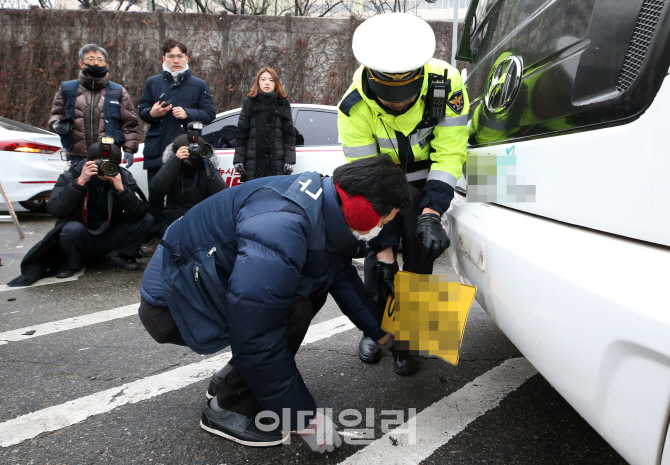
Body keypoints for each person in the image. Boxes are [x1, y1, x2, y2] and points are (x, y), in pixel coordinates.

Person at [138, 156, 411, 452]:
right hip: (173, 304)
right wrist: (304, 418)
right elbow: (256, 332)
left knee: (311, 287)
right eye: (387, 218)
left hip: (205, 281)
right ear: (361, 207)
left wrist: (382, 332)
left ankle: (233, 377)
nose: (385, 226)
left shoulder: (323, 199)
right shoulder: (282, 224)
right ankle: (228, 407)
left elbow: (340, 276)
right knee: (293, 311)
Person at [337, 13, 469, 376]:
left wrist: (431, 214)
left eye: (406, 96)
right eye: (389, 97)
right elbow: (367, 178)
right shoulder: (352, 106)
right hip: (382, 181)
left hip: (427, 181)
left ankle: (411, 339)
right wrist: (383, 248)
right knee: (378, 262)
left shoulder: (448, 84)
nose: (398, 103)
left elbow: (451, 152)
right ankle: (375, 329)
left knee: (420, 251)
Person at [6, 143, 153, 287]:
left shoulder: (123, 177)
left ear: (118, 163)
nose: (104, 168)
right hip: (81, 235)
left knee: (147, 220)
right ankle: (72, 262)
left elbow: (139, 213)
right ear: (89, 162)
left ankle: (116, 256)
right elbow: (56, 210)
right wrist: (80, 183)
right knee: (71, 229)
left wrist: (122, 190)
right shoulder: (71, 176)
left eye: (110, 164)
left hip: (110, 234)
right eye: (100, 163)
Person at [139, 38, 216, 238]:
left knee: (184, 196)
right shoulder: (153, 82)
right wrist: (153, 112)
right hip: (157, 148)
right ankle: (156, 239)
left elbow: (209, 114)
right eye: (171, 56)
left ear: (186, 58)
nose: (176, 60)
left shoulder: (199, 85)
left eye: (180, 56)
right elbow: (142, 111)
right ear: (164, 58)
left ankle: (184, 235)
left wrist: (188, 113)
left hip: (187, 149)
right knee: (155, 196)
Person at [49, 44, 139, 167]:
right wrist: (57, 125)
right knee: (78, 185)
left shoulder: (118, 91)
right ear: (81, 63)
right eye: (90, 59)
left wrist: (129, 149)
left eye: (100, 60)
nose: (96, 63)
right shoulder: (67, 89)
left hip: (108, 154)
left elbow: (129, 123)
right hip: (77, 155)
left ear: (106, 65)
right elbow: (57, 114)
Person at [149, 133, 227, 238]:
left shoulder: (206, 168)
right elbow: (157, 188)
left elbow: (223, 194)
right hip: (175, 219)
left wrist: (205, 164)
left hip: (202, 217)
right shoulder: (173, 167)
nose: (192, 154)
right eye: (188, 151)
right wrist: (175, 161)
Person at [233, 67, 296, 181]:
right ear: (258, 82)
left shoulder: (283, 104)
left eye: (271, 80)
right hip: (254, 165)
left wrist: (289, 160)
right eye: (263, 79)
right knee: (254, 197)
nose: (267, 83)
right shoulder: (249, 103)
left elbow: (289, 136)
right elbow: (241, 136)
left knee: (275, 197)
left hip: (277, 165)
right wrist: (238, 160)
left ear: (276, 83)